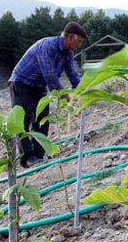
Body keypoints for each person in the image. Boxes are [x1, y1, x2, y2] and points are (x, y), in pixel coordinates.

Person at [8, 21, 88, 168]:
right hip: (22, 83)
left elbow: (72, 74)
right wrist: (64, 96)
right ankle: (27, 158)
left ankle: (39, 155)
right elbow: (50, 76)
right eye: (79, 41)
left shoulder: (67, 53)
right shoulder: (47, 46)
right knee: (22, 122)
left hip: (39, 86)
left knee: (42, 120)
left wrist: (83, 91)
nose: (79, 45)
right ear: (70, 37)